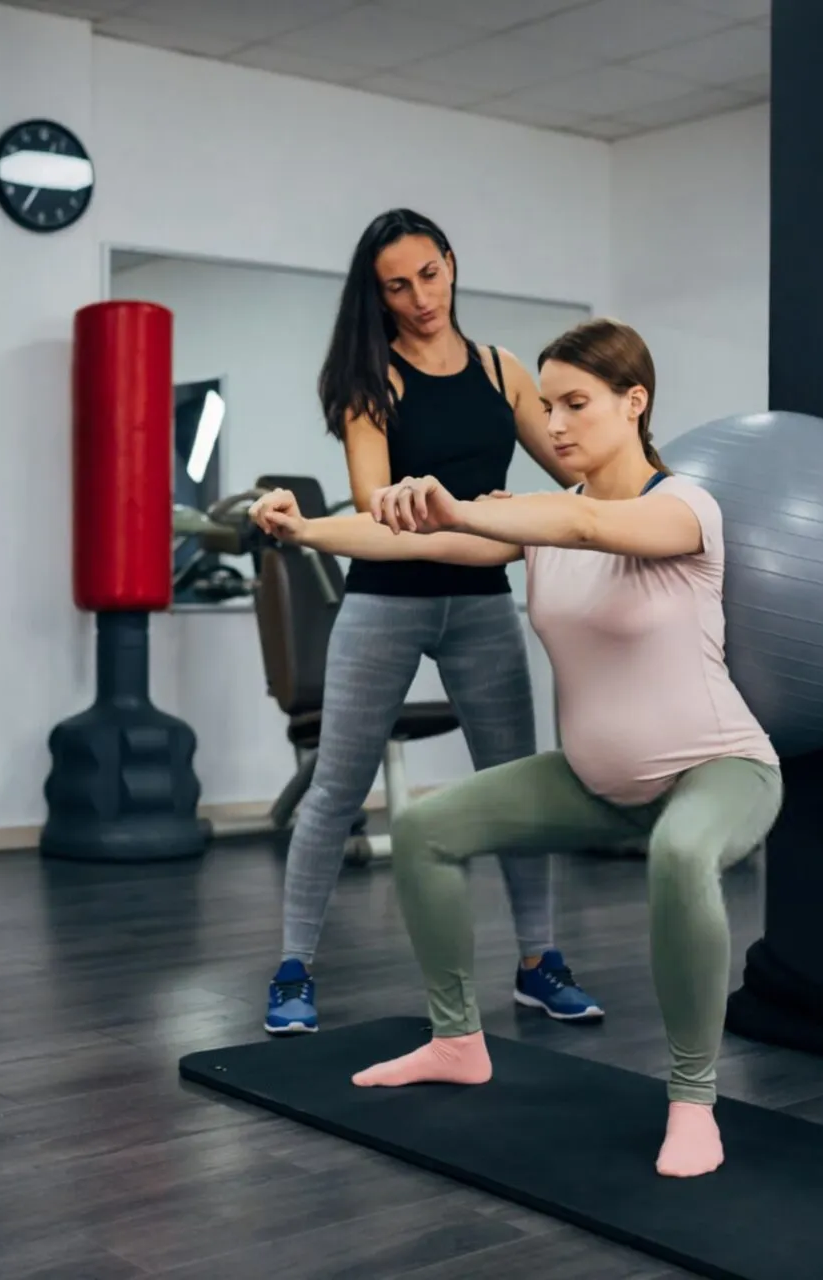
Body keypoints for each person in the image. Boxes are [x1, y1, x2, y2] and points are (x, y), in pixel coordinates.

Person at [249, 317, 781, 1179]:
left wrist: (467, 504)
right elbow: (409, 537)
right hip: (596, 781)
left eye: (577, 404)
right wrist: (305, 530)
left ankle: (693, 1100)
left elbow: (589, 525)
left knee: (681, 855)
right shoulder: (535, 523)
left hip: (718, 767)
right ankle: (456, 1041)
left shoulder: (684, 506)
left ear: (634, 402)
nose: (556, 424)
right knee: (425, 829)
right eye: (547, 406)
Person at [261, 208, 605, 1038]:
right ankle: (293, 968)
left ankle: (539, 962)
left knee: (517, 786)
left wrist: (620, 455)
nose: (420, 297)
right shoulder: (371, 383)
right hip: (384, 601)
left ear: (451, 263)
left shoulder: (501, 370)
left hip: (482, 606)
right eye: (397, 286)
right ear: (376, 296)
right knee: (337, 787)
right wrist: (495, 527)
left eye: (429, 274)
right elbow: (379, 511)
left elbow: (573, 465)